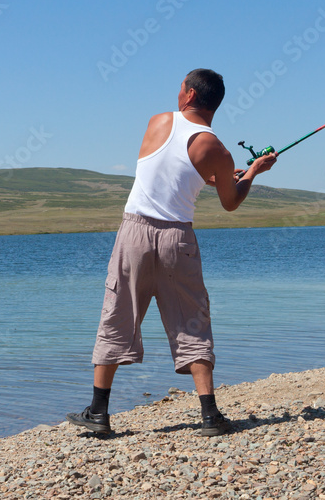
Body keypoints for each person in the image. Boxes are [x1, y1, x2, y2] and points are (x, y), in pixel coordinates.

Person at [66, 68, 277, 437]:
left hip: (135, 232)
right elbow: (230, 202)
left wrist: (221, 176)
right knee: (191, 317)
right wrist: (250, 174)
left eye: (180, 87)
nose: (177, 93)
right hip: (178, 239)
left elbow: (161, 168)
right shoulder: (219, 151)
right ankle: (210, 415)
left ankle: (98, 412)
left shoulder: (159, 121)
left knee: (118, 313)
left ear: (190, 95)